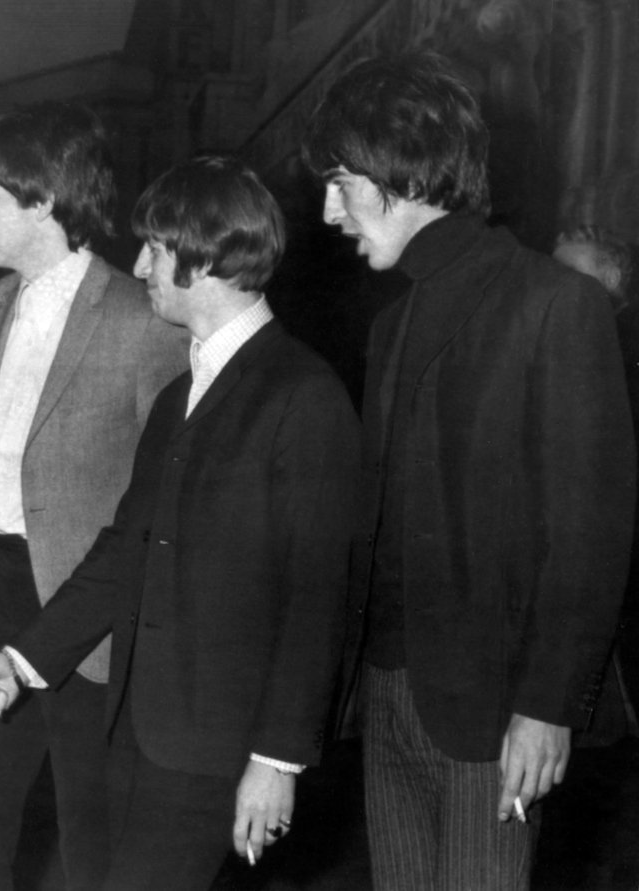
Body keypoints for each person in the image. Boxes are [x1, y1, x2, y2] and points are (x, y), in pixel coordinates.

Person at [0, 156, 361, 890]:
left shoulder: (303, 395)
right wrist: (21, 659)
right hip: (137, 733)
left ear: (204, 256)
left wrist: (276, 761)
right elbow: (123, 551)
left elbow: (317, 599)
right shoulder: (181, 393)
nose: (139, 262)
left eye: (156, 248)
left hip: (216, 748)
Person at [302, 51, 636, 890]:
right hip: (387, 693)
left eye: (342, 183)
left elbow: (589, 535)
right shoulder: (393, 321)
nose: (330, 212)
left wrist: (549, 705)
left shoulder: (558, 306)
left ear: (403, 173)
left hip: (496, 709)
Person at [0, 102, 186, 891]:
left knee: (91, 846)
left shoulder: (146, 321)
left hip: (93, 615)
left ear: (43, 201)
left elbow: (167, 502)